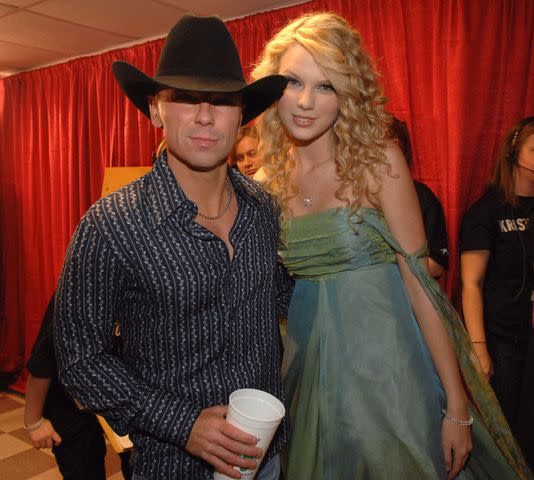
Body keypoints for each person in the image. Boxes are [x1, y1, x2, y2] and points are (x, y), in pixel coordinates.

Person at [251, 12, 530, 479]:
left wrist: (456, 406)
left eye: (326, 86)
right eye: (293, 81)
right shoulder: (263, 185)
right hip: (310, 375)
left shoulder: (378, 163)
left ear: (348, 95)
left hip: (391, 371)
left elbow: (423, 288)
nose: (304, 101)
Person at [55, 15, 291, 480]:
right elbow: (81, 358)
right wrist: (182, 424)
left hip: (268, 459)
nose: (205, 116)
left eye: (222, 101)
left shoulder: (265, 210)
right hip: (172, 467)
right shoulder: (111, 224)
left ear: (241, 115)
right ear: (155, 109)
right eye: (184, 98)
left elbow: (287, 303)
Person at [460, 116, 534, 469]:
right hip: (503, 340)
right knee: (506, 433)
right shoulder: (487, 210)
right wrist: (479, 349)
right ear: (514, 151)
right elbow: (471, 283)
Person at [24, 294, 132, 480]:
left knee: (136, 464)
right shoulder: (76, 292)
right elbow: (43, 360)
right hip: (69, 400)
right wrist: (33, 421)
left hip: (119, 393)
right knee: (83, 467)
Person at [389, 116, 449, 278]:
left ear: (399, 147)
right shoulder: (348, 196)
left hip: (408, 297)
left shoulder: (421, 197)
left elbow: (437, 264)